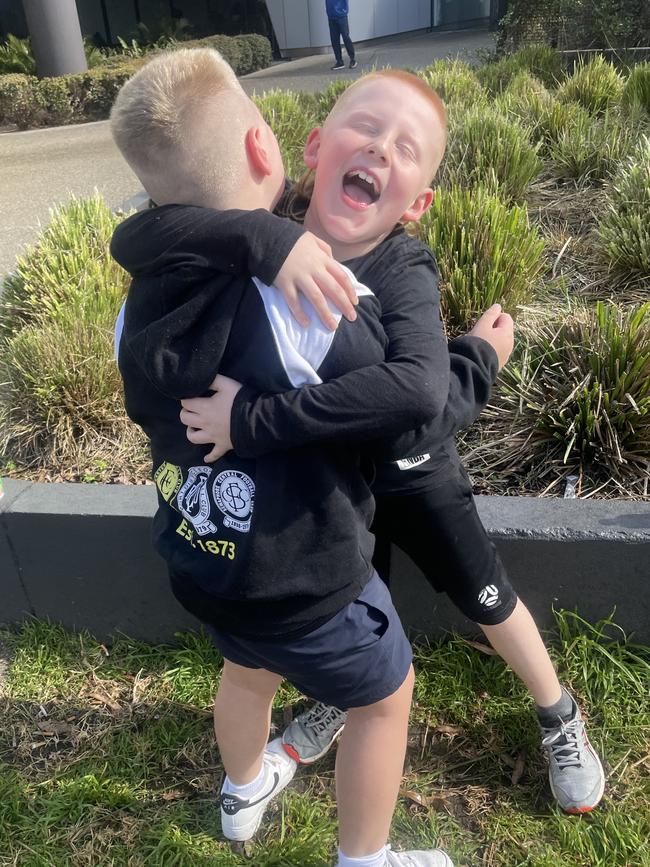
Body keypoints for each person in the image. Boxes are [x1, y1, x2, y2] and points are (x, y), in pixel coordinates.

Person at [175, 70, 606, 816]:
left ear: (418, 202)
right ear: (313, 147)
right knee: (343, 606)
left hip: (414, 473)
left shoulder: (402, 269)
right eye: (367, 126)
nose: (380, 145)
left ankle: (558, 712)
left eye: (407, 147)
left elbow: (417, 406)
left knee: (488, 597)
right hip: (333, 493)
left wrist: (475, 361)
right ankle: (346, 697)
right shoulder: (263, 234)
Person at [110, 47, 456, 867]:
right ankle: (363, 858)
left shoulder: (139, 301)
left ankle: (240, 791)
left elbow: (142, 232)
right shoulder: (320, 299)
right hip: (306, 578)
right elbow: (413, 403)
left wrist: (258, 236)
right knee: (385, 696)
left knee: (245, 667)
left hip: (205, 560)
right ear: (270, 148)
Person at [326, 0, 357, 70]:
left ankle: (352, 59)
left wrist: (343, 10)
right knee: (334, 40)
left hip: (341, 15)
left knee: (346, 37)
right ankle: (339, 62)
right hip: (331, 16)